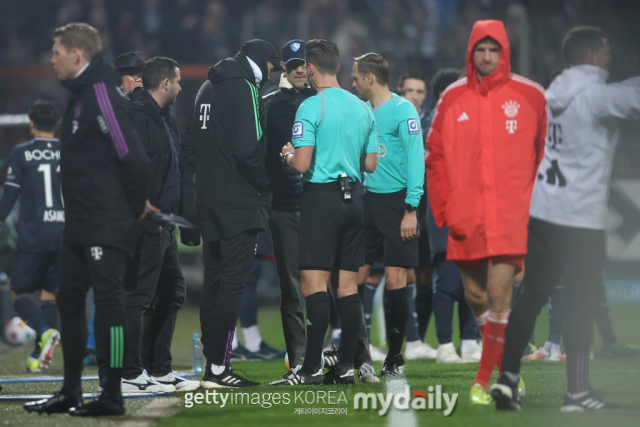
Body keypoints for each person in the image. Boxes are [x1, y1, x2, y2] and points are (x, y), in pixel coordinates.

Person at [492, 26, 640, 411]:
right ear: (591, 56)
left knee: (530, 297)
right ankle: (577, 394)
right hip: (579, 217)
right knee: (581, 302)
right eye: (605, 51)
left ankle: (507, 380)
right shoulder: (596, 95)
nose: (610, 57)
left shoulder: (554, 89)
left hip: (544, 211)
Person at [24, 23, 153, 416]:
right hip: (79, 223)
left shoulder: (99, 95)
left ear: (76, 55)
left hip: (105, 221)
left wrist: (136, 209)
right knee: (68, 300)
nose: (52, 58)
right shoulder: (81, 95)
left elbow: (132, 156)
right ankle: (71, 391)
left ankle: (112, 394)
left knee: (109, 304)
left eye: (57, 51)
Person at [426, 20, 546, 405]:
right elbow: (435, 156)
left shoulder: (530, 95)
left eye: (494, 50)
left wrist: (536, 209)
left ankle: (487, 378)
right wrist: (445, 209)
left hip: (512, 215)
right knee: (476, 296)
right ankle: (505, 370)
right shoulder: (452, 97)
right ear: (471, 52)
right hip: (467, 217)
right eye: (481, 49)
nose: (488, 56)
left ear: (504, 51)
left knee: (499, 294)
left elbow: (545, 153)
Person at [275, 39, 378, 386]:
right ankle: (346, 366)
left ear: (312, 68)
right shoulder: (363, 107)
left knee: (313, 283)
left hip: (322, 198)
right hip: (355, 201)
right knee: (347, 288)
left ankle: (310, 369)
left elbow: (303, 164)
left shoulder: (310, 107)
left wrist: (288, 155)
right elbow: (371, 163)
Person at [181, 39, 283, 388]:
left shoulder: (206, 86)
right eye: (273, 68)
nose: (273, 76)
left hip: (207, 200)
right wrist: (265, 186)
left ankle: (213, 366)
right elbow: (249, 148)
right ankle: (221, 368)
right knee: (233, 286)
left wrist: (190, 201)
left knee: (214, 283)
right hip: (238, 203)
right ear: (264, 63)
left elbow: (189, 147)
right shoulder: (244, 86)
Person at [118, 57, 199, 393]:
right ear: (165, 84)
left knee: (171, 292)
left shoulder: (164, 118)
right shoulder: (136, 117)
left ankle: (160, 370)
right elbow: (123, 168)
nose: (181, 87)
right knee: (137, 297)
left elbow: (174, 171)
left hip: (164, 224)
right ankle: (128, 374)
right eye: (178, 81)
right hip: (144, 223)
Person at [351, 53, 425, 376]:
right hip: (366, 202)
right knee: (351, 281)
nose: (351, 83)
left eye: (355, 78)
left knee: (396, 280)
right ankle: (360, 355)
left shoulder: (403, 110)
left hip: (398, 205)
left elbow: (415, 161)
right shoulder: (362, 111)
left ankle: (394, 358)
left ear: (370, 78)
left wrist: (411, 209)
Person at [256, 39, 316, 374]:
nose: (297, 69)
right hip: (282, 206)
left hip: (319, 203)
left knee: (329, 283)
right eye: (292, 63)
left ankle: (337, 352)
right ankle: (299, 359)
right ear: (283, 66)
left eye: (302, 63)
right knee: (291, 287)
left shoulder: (322, 101)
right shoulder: (266, 104)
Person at [85, 50, 147, 367]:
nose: (138, 78)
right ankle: (106, 354)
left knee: (122, 288)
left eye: (141, 73)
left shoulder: (133, 110)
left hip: (127, 211)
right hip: (108, 211)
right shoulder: (107, 110)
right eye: (132, 73)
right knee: (110, 287)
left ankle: (113, 354)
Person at [424, 68, 482, 364]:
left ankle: (470, 342)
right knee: (448, 280)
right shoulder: (434, 123)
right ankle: (445, 345)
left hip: (470, 209)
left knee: (473, 278)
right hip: (443, 210)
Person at [0, 100, 63, 373]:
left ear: (31, 124)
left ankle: (46, 332)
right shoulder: (67, 151)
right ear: (57, 124)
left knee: (19, 293)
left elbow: (10, 196)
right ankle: (38, 356)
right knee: (49, 294)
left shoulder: (21, 153)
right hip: (63, 232)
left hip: (34, 232)